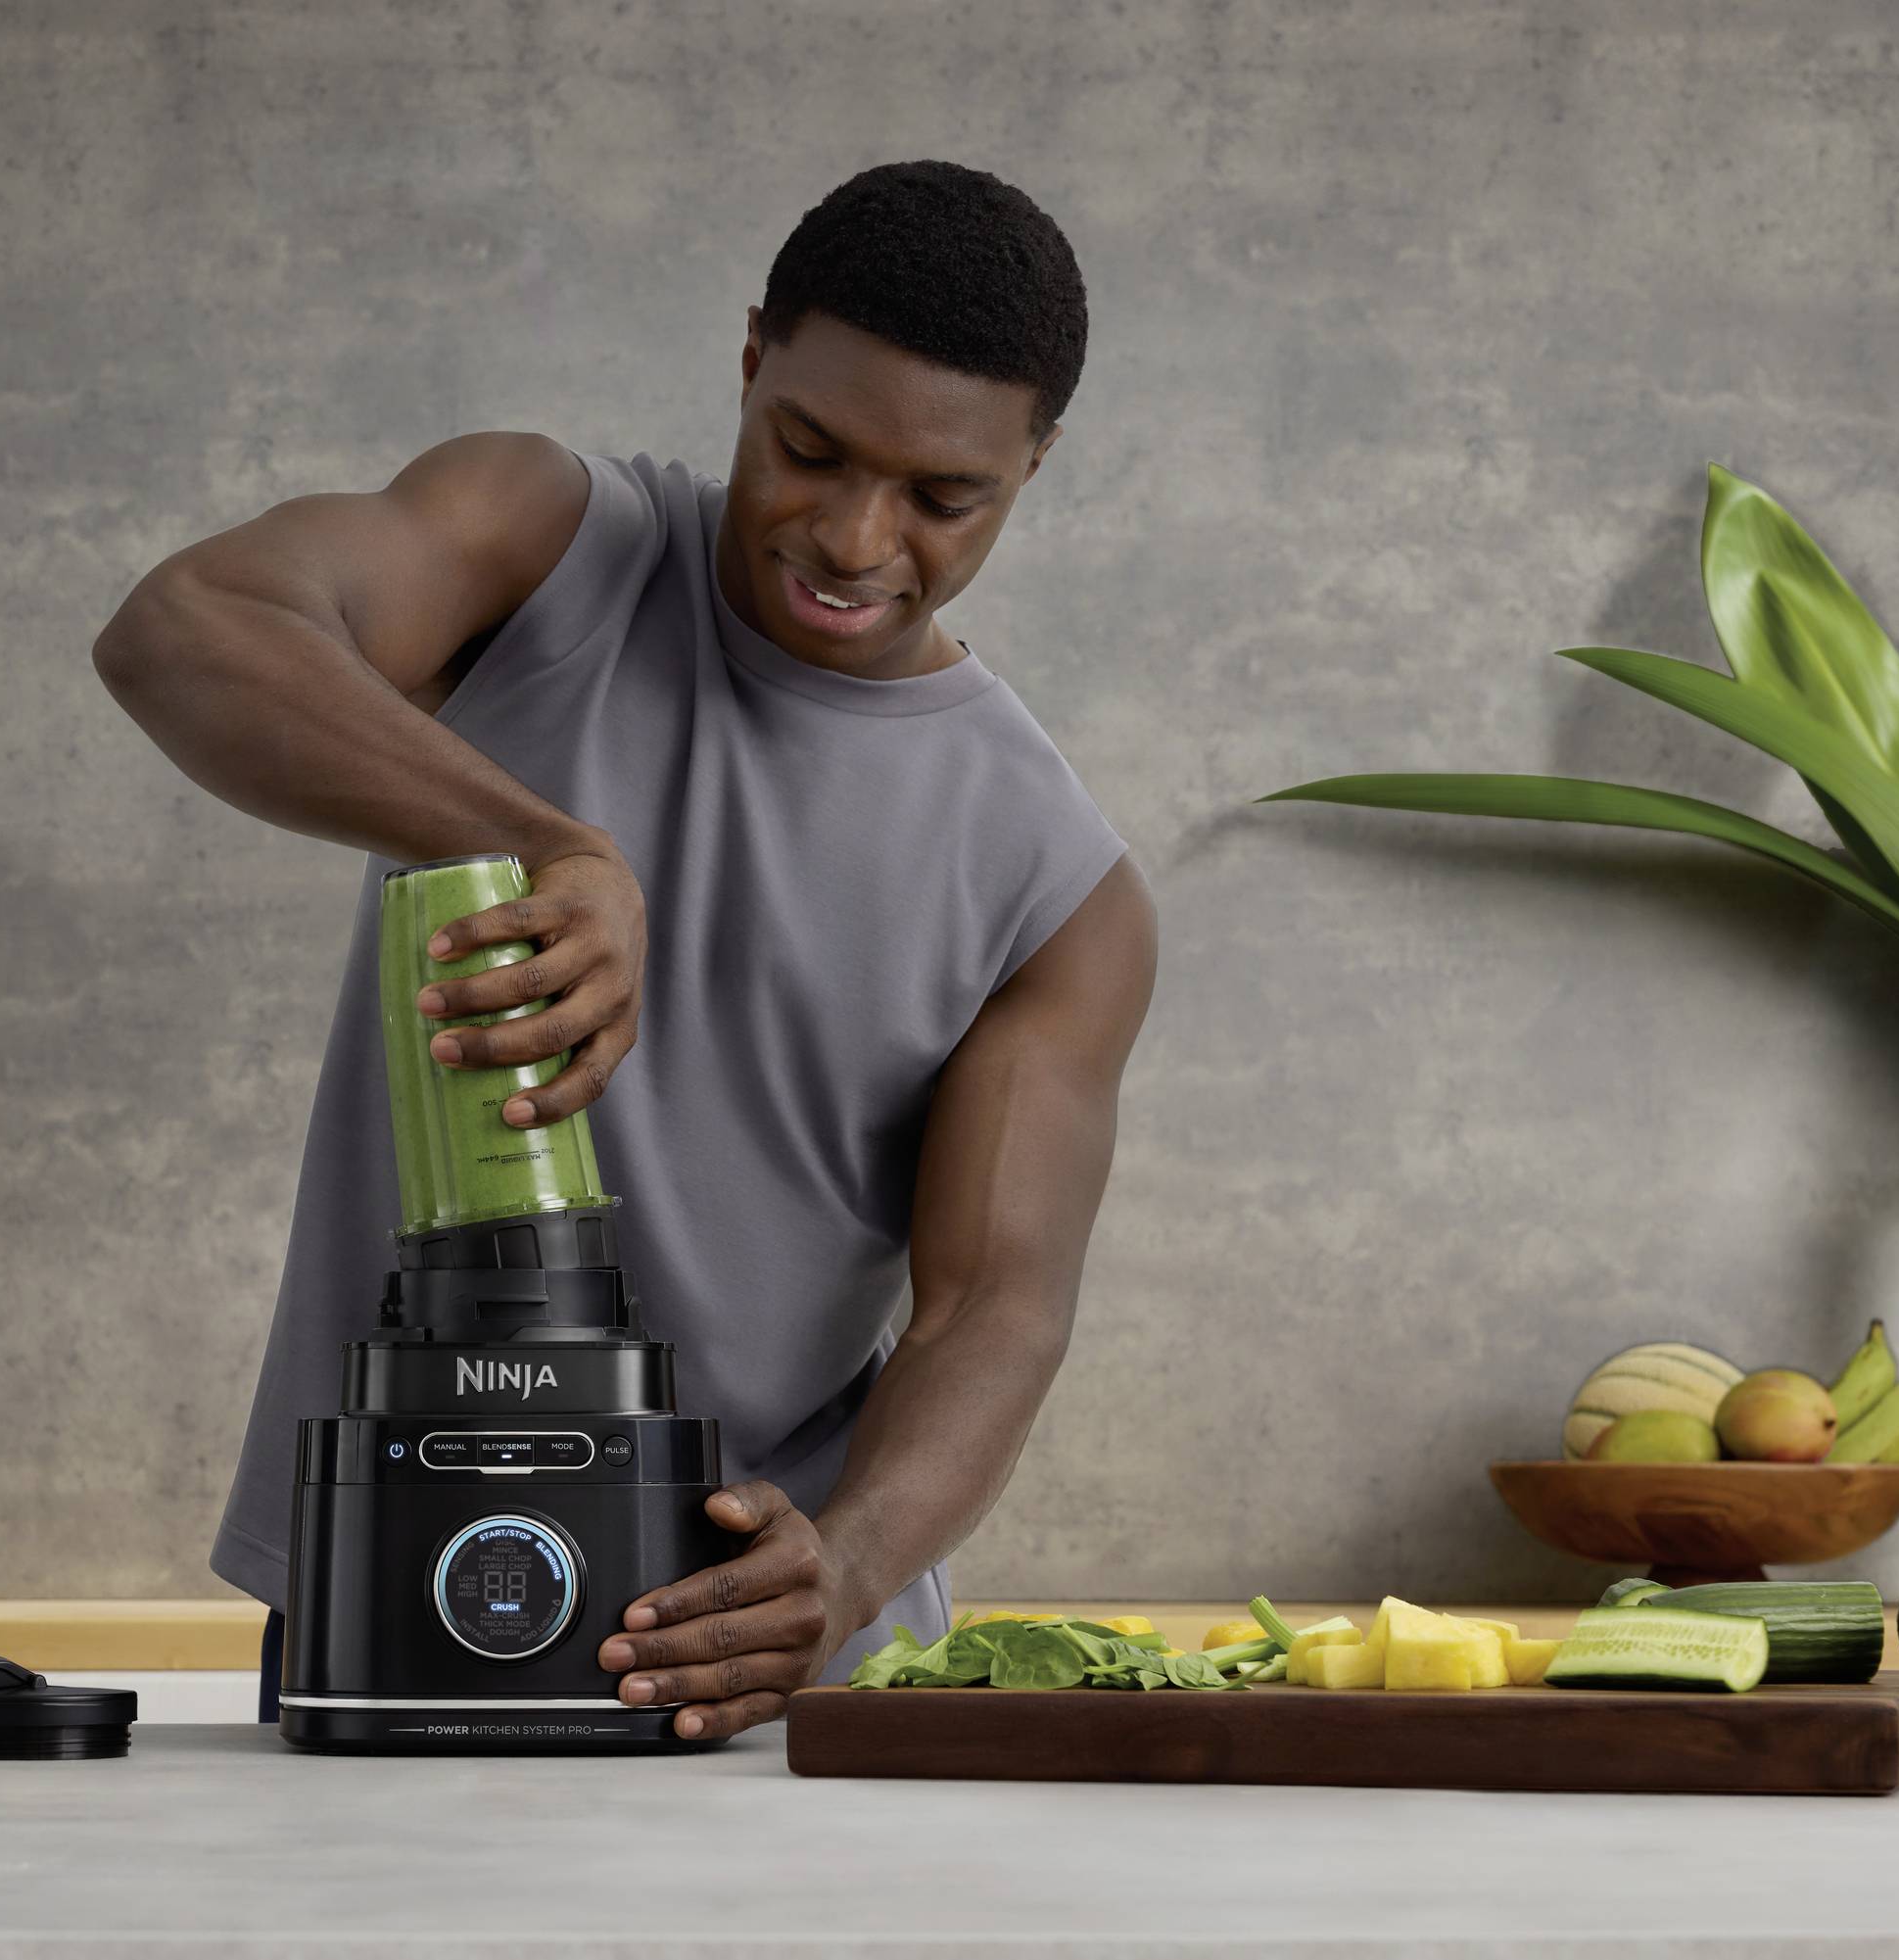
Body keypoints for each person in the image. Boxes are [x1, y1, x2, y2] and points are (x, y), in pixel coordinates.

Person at [93, 160, 1157, 1741]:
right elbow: (183, 629)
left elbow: (988, 1309)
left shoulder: (1059, 887)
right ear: (750, 364)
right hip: (405, 1591)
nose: (858, 539)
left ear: (1035, 463)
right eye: (811, 451)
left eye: (945, 499)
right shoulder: (546, 546)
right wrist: (540, 841)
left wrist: (845, 1570)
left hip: (770, 1670)